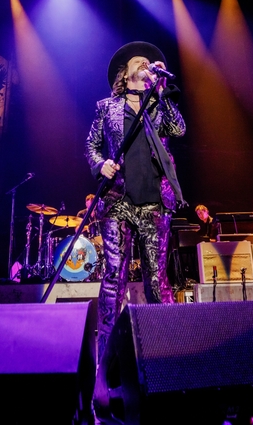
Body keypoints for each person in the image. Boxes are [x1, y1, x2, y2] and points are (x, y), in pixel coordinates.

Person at [85, 41, 187, 361]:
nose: (147, 64)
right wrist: (100, 164)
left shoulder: (158, 104)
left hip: (154, 201)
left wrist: (161, 93)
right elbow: (91, 146)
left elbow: (179, 129)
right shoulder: (106, 107)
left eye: (150, 63)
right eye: (140, 62)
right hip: (118, 201)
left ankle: (168, 352)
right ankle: (107, 356)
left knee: (157, 280)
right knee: (114, 275)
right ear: (125, 74)